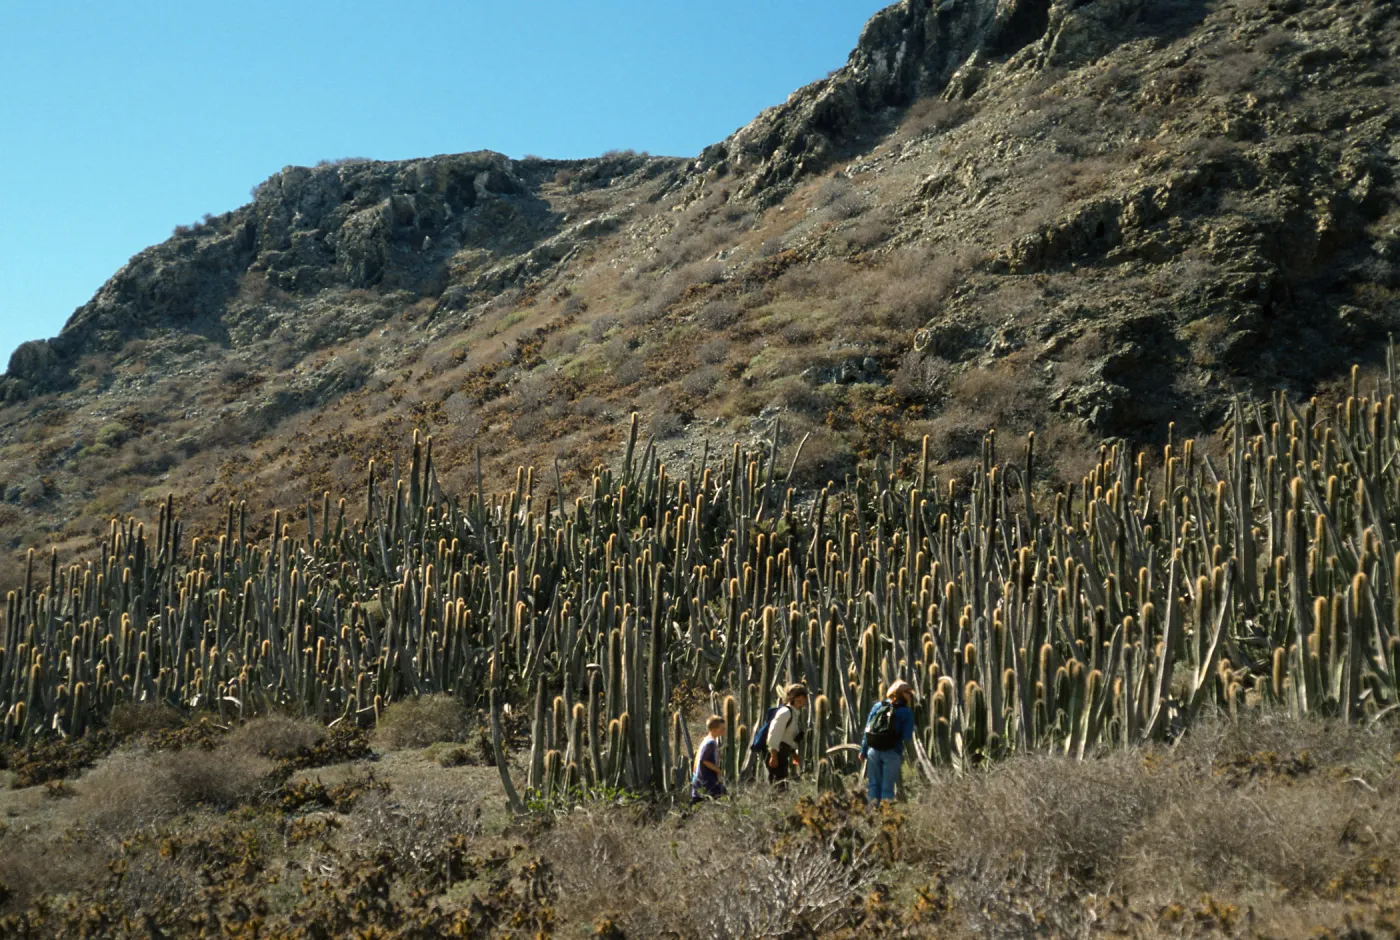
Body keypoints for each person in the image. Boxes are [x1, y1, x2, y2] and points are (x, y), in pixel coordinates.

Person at [860, 680, 915, 805]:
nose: (911, 696)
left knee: (873, 786)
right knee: (887, 789)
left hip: (873, 751)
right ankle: (886, 820)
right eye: (908, 693)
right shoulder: (906, 712)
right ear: (902, 694)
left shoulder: (878, 706)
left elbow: (867, 730)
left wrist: (863, 751)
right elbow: (907, 738)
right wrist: (911, 758)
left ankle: (872, 817)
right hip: (892, 753)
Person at [765, 684, 809, 787]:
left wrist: (794, 753)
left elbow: (789, 736)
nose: (804, 699)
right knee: (777, 786)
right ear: (793, 697)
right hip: (777, 754)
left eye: (804, 696)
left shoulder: (795, 713)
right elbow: (774, 733)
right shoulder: (785, 712)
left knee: (782, 785)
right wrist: (773, 755)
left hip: (783, 753)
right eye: (801, 696)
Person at [691, 715, 728, 803]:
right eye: (722, 728)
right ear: (714, 729)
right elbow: (704, 760)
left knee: (696, 804)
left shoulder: (706, 740)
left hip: (700, 779)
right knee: (724, 799)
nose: (724, 730)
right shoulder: (710, 743)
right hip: (706, 780)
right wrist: (718, 770)